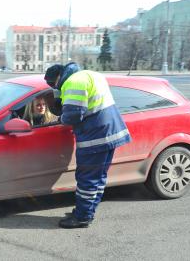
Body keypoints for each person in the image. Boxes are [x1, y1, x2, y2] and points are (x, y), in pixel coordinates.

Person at [44, 62, 131, 229]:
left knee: (87, 179)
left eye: (54, 86)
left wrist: (60, 118)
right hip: (111, 132)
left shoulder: (72, 83)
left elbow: (73, 115)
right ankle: (86, 211)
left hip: (95, 137)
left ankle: (82, 217)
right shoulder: (90, 74)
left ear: (56, 79)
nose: (56, 89)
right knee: (98, 177)